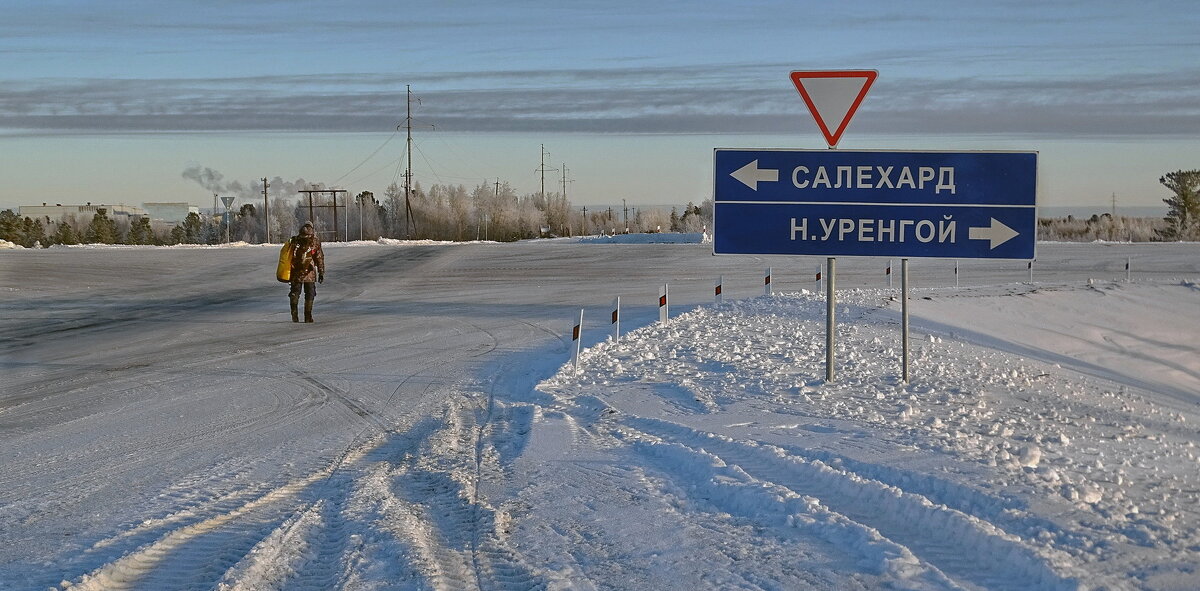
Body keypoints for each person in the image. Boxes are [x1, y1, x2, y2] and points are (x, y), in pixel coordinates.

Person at [287, 221, 325, 323]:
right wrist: (321, 272)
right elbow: (319, 257)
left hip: (296, 271)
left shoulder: (294, 240)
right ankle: (308, 316)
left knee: (295, 292)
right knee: (310, 294)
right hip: (309, 272)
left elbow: (287, 256)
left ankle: (294, 314)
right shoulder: (315, 241)